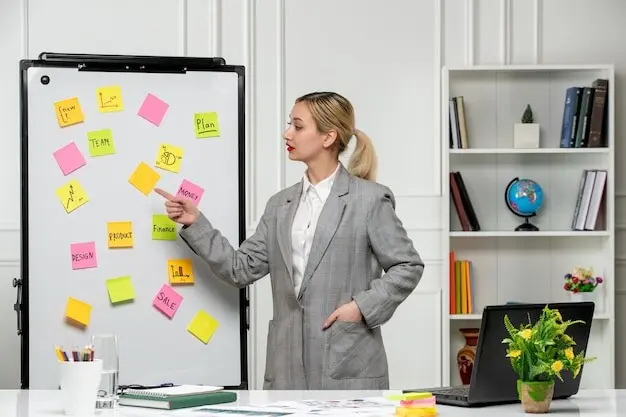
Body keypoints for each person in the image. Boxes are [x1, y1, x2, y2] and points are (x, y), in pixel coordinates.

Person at [155, 91, 424, 390]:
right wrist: (195, 222)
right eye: (289, 124)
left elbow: (408, 265)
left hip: (348, 364)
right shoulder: (279, 205)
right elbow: (240, 269)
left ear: (328, 137)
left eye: (298, 126)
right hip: (286, 367)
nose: (287, 134)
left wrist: (361, 307)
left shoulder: (369, 199)